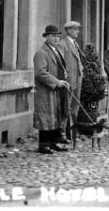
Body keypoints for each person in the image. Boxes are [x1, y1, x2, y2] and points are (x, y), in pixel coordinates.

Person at [33, 25, 70, 154]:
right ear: (47, 36)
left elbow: (60, 67)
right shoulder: (41, 53)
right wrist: (56, 82)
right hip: (46, 90)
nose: (56, 38)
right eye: (53, 36)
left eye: (58, 36)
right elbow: (40, 73)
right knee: (46, 117)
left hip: (57, 89)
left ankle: (54, 142)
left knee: (56, 115)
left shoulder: (56, 51)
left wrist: (64, 79)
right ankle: (43, 145)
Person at [59, 20, 84, 139]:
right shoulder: (62, 44)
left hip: (77, 79)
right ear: (68, 30)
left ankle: (73, 131)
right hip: (69, 79)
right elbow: (60, 63)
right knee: (66, 107)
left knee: (75, 106)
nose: (78, 31)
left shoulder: (75, 43)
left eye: (78, 29)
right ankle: (64, 132)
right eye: (75, 29)